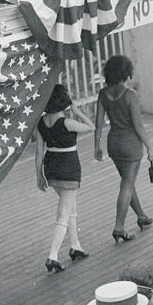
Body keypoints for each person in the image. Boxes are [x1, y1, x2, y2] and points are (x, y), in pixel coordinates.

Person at [94, 55, 153, 243]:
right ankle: (119, 227)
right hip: (131, 145)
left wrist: (97, 145)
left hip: (114, 144)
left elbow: (98, 124)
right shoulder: (131, 95)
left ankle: (142, 216)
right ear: (126, 72)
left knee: (127, 182)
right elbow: (138, 126)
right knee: (127, 184)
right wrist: (149, 146)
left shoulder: (103, 94)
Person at [34, 84, 93, 274]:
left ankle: (76, 245)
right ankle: (52, 256)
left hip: (51, 167)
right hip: (69, 168)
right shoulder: (68, 122)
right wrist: (78, 111)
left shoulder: (42, 122)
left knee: (70, 207)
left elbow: (38, 152)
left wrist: (39, 176)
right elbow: (91, 127)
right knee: (64, 213)